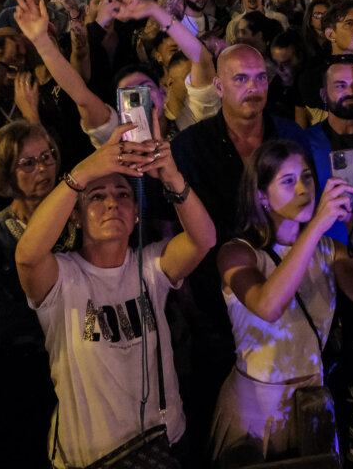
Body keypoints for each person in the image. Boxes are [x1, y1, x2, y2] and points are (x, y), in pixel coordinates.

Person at [15, 126, 216, 467]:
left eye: (123, 195)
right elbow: (28, 256)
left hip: (163, 443)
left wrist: (172, 177)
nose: (112, 204)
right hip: (92, 457)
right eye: (96, 196)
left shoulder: (150, 266)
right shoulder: (63, 276)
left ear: (136, 213)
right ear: (74, 216)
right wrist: (80, 174)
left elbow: (204, 240)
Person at [210, 140, 353, 465]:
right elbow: (268, 306)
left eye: (306, 176)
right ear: (261, 196)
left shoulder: (329, 250)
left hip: (312, 404)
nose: (304, 188)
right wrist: (318, 224)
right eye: (288, 181)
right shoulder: (237, 253)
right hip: (255, 412)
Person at [0, 122, 77, 468]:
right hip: (29, 374)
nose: (43, 168)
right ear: (4, 174)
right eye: (27, 163)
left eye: (47, 157)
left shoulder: (82, 217)